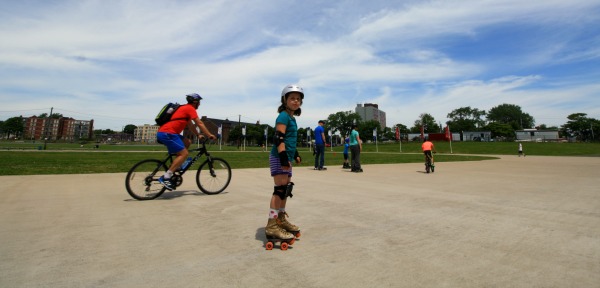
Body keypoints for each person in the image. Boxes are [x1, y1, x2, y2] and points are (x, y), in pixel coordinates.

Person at [265, 84, 304, 241]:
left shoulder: (292, 118)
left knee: (286, 189)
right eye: (292, 98)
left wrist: (295, 154)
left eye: (298, 99)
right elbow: (279, 138)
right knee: (279, 190)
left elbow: (290, 140)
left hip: (286, 157)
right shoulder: (282, 116)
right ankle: (271, 225)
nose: (295, 101)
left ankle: (280, 219)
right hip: (279, 157)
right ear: (285, 100)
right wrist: (282, 157)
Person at [156, 93, 216, 190]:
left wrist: (198, 134)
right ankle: (166, 177)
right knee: (184, 154)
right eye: (199, 102)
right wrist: (209, 134)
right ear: (195, 102)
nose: (200, 104)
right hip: (168, 133)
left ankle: (176, 165)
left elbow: (191, 125)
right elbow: (199, 123)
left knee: (187, 142)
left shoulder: (183, 109)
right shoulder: (189, 108)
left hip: (169, 133)